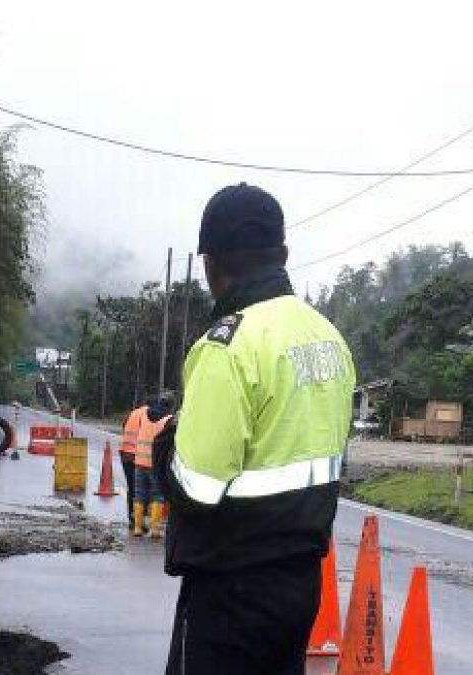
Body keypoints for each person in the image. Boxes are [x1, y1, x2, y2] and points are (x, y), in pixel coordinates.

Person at [154, 184, 356, 675]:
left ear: (209, 264)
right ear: (283, 254)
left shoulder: (228, 345)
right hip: (299, 582)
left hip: (230, 588)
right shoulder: (327, 337)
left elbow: (197, 486)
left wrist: (164, 445)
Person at [133, 392, 174, 538]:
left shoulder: (144, 415)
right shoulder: (168, 419)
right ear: (170, 405)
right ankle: (154, 529)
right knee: (157, 495)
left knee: (139, 494)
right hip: (155, 464)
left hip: (139, 461)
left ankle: (137, 527)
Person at [119, 399, 149, 527]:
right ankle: (138, 521)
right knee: (142, 489)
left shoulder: (133, 413)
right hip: (138, 455)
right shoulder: (149, 415)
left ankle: (132, 518)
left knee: (132, 487)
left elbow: (124, 427)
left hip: (125, 453)